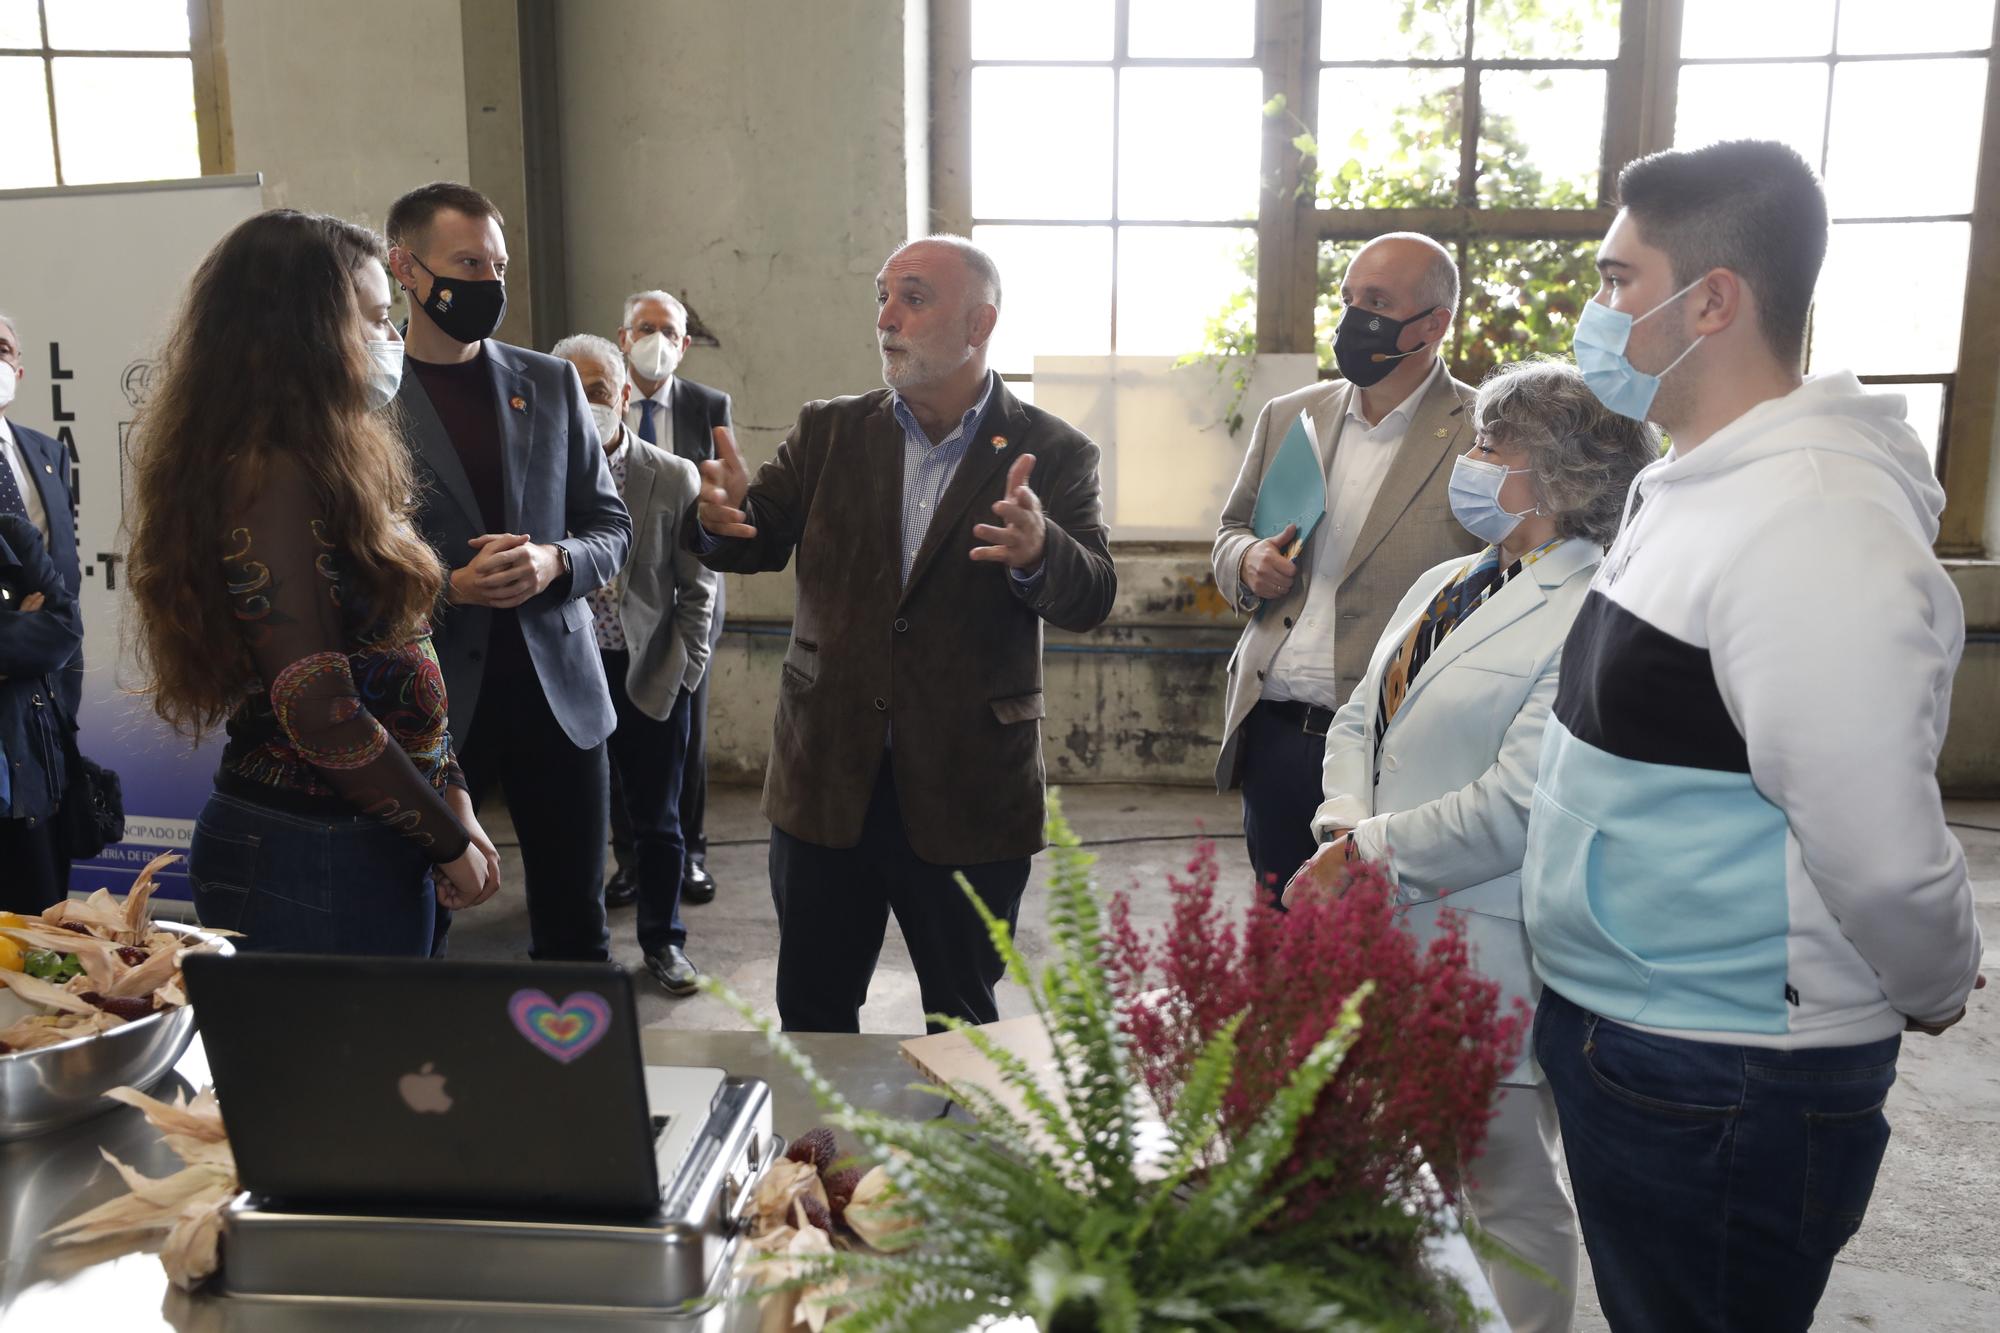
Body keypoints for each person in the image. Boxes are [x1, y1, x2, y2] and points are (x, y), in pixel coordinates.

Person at [1521, 139, 1986, 1332]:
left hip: (1726, 1066)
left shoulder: (1812, 520)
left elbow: (1876, 844)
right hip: (1636, 1031)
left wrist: (1932, 984)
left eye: (1619, 280)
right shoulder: (1690, 482)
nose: (1595, 310)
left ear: (1710, 299)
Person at [1285, 359, 1657, 1333]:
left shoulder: (1595, 611)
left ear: (1561, 475)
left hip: (1490, 941)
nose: (1471, 459)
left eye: (1492, 445)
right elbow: (1359, 720)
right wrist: (1338, 825)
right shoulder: (1446, 579)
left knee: (1505, 1186)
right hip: (1385, 926)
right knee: (1406, 1173)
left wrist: (1360, 852)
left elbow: (1518, 803)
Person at [690, 235, 1117, 1033]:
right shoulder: (828, 433)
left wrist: (1040, 552)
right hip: (826, 779)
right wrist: (717, 521)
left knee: (961, 1024)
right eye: (883, 296)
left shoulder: (1054, 451)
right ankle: (817, 1160)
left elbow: (1093, 593)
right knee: (813, 1013)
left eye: (913, 299)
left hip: (969, 788)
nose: (886, 318)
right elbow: (755, 536)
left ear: (979, 321)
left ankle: (951, 1158)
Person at [126, 210, 501, 954]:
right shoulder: (266, 476)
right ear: (302, 334)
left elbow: (403, 645)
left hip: (374, 828)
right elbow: (318, 705)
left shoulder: (334, 455)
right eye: (371, 319)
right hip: (309, 848)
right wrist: (443, 836)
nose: (390, 339)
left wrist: (450, 796)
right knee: (344, 1071)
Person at [387, 182, 631, 963]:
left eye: (497, 264)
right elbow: (343, 563)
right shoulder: (365, 400)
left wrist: (556, 560)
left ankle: (571, 1079)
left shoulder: (550, 383)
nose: (487, 282)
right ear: (406, 268)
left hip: (558, 693)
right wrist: (445, 587)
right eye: (466, 263)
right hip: (430, 702)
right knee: (420, 919)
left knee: (576, 933)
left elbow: (611, 529)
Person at [1211, 232, 1481, 897]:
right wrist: (1247, 562)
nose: (1353, 316)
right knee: (1281, 936)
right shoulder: (1290, 415)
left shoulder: (1485, 431)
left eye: (1378, 301)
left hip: (1398, 742)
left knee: (1381, 953)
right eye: (1349, 297)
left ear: (1434, 324)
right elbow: (1230, 531)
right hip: (1277, 732)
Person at [554, 331, 715, 995]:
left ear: (624, 394)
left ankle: (663, 942)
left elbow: (697, 586)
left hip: (648, 670)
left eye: (596, 390)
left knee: (659, 820)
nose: (586, 404)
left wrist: (685, 670)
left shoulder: (673, 475)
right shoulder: (542, 472)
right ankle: (580, 952)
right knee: (575, 820)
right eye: (571, 391)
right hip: (567, 675)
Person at [617, 289, 732, 908]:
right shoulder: (599, 402)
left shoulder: (708, 406)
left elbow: (721, 504)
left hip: (685, 598)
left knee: (682, 735)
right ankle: (631, 860)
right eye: (645, 327)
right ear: (623, 335)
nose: (656, 340)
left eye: (668, 331)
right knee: (615, 742)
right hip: (616, 606)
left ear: (685, 345)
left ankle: (689, 852)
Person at [0, 313, 82, 719]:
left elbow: (66, 567)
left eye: (2, 351)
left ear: (18, 371)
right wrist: (16, 632)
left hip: (52, 684)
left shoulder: (51, 454)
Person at [0, 515, 80, 912]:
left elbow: (64, 633)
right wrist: (19, 626)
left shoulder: (13, 535)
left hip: (24, 786)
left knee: (40, 948)